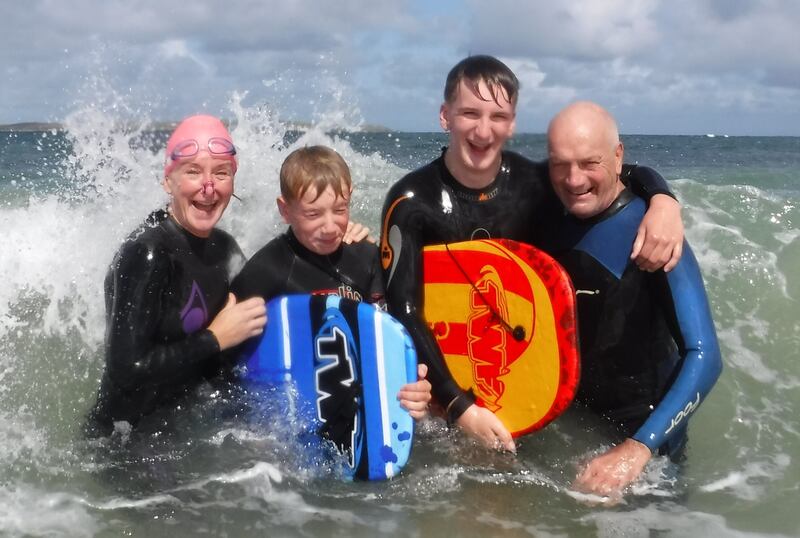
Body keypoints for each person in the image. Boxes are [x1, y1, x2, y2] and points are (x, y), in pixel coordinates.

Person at [380, 55, 685, 452]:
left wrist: (664, 201)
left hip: (519, 381)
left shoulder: (535, 183)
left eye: (498, 116)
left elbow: (616, 171)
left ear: (513, 123)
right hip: (444, 389)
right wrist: (460, 407)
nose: (484, 130)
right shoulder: (410, 201)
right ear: (445, 116)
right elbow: (404, 308)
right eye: (470, 113)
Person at [545, 101, 722, 497]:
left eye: (590, 163)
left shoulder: (652, 234)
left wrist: (637, 449)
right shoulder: (548, 206)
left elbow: (705, 355)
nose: (573, 180)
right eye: (560, 164)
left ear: (618, 156)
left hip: (643, 439)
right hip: (568, 420)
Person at [87, 115, 268, 436]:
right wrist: (215, 338)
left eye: (221, 173)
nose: (208, 187)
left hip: (182, 430)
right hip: (122, 443)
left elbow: (272, 296)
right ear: (168, 181)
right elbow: (127, 369)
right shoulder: (147, 254)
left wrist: (339, 243)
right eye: (193, 172)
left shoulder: (226, 250)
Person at [231, 145, 431, 419]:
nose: (330, 227)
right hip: (296, 405)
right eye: (313, 214)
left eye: (340, 209)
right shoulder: (266, 271)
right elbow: (229, 362)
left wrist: (415, 381)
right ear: (285, 210)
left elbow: (391, 333)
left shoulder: (367, 257)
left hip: (360, 393)